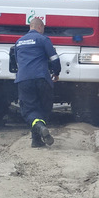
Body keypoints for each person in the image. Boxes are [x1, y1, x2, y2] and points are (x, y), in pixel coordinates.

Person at [14, 17, 61, 147]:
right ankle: (40, 131)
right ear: (40, 27)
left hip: (24, 80)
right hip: (42, 78)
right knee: (43, 109)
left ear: (31, 26)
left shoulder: (19, 42)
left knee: (29, 110)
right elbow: (54, 59)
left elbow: (17, 62)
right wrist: (56, 73)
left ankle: (37, 139)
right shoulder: (43, 39)